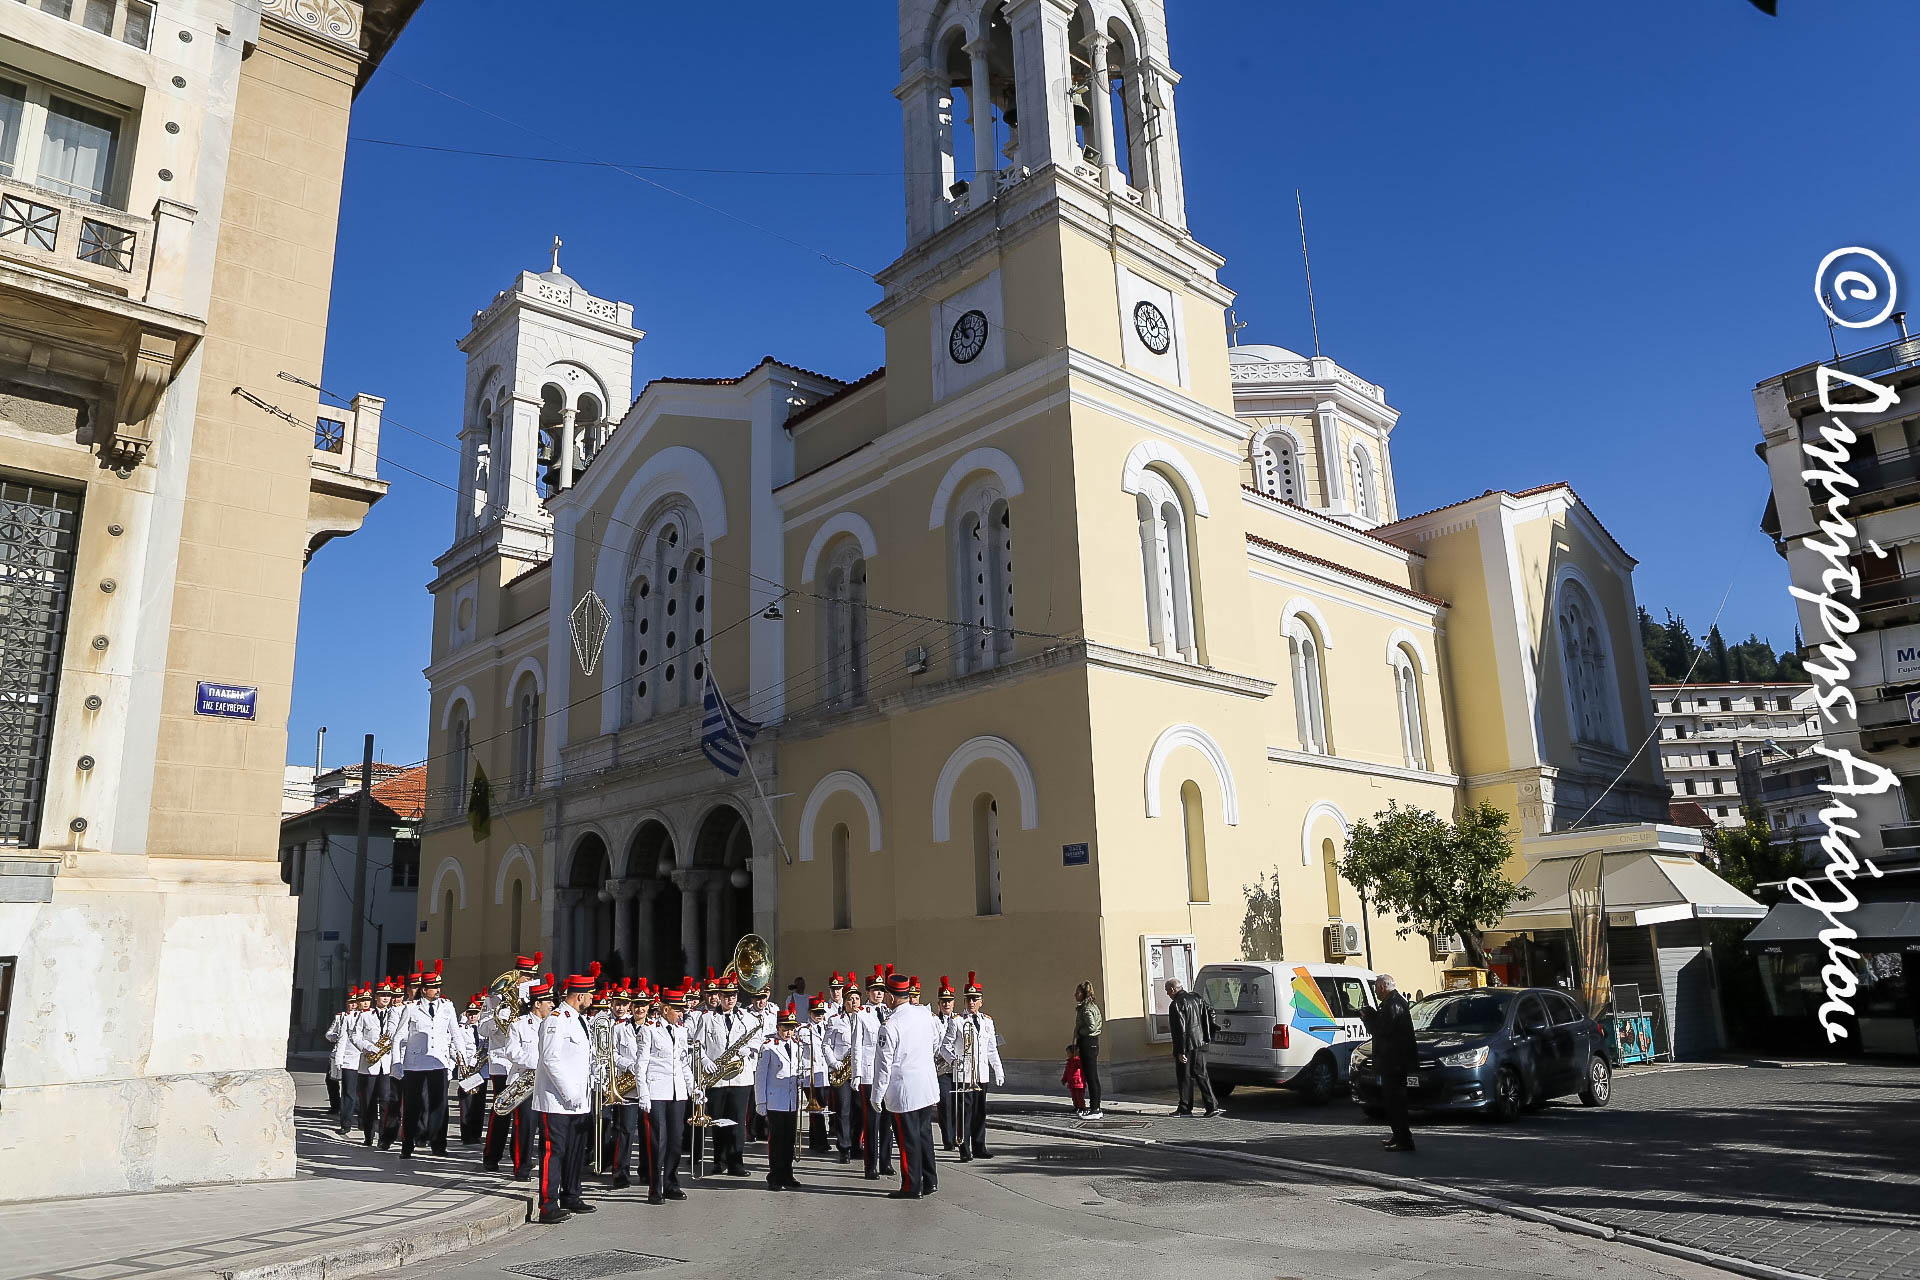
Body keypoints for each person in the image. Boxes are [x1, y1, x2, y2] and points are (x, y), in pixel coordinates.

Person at [535, 967, 598, 1223]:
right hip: (557, 1100)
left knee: (575, 1150)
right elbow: (550, 1059)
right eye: (590, 995)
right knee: (555, 1151)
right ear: (579, 996)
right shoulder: (556, 1020)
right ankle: (547, 1204)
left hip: (579, 1100)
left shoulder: (580, 1020)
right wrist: (569, 1092)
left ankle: (571, 1194)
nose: (592, 999)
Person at [873, 972, 940, 1199]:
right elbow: (936, 1041)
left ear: (891, 997)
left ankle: (911, 1186)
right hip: (926, 1086)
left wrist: (876, 1096)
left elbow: (883, 1065)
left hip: (904, 1091)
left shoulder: (890, 1025)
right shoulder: (924, 1014)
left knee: (907, 1140)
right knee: (924, 1135)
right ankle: (930, 1180)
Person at [481, 951, 541, 1173]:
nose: (528, 980)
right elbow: (482, 1029)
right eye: (526, 976)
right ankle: (492, 1156)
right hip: (501, 1062)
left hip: (525, 1063)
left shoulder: (532, 999)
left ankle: (520, 1159)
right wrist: (499, 1020)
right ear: (516, 975)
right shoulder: (495, 999)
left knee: (523, 1115)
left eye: (532, 976)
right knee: (501, 1109)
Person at [695, 971, 757, 1177]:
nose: (730, 999)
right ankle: (718, 1160)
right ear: (719, 996)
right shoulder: (707, 1018)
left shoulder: (747, 1018)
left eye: (733, 995)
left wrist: (750, 1049)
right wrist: (705, 1060)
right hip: (717, 1078)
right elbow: (697, 1045)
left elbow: (758, 1039)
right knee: (718, 1120)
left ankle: (736, 1162)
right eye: (726, 996)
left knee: (738, 1121)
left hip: (740, 1078)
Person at [398, 960, 461, 1158]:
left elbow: (456, 1033)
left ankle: (439, 1145)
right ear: (424, 990)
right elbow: (399, 1036)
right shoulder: (411, 1008)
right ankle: (407, 1145)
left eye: (438, 986)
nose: (437, 990)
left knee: (439, 1106)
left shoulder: (447, 1006)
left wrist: (463, 1058)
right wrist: (396, 1064)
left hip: (438, 1062)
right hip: (415, 1064)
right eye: (433, 987)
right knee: (412, 1107)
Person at [642, 984, 695, 1205]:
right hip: (656, 1090)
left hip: (677, 1091)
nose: (682, 1014)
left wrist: (693, 1087)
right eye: (678, 1009)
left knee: (675, 1139)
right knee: (658, 1140)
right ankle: (655, 1187)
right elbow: (642, 1064)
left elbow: (683, 1063)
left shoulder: (681, 1031)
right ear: (666, 1009)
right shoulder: (649, 1029)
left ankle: (671, 1183)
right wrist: (643, 1093)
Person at [949, 972, 1004, 1160]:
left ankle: (979, 1147)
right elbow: (945, 1046)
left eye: (975, 999)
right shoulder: (957, 1021)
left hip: (981, 1074)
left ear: (981, 1001)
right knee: (964, 1113)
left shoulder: (988, 1021)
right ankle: (964, 1149)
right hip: (963, 1075)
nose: (971, 1002)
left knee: (980, 1112)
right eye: (968, 999)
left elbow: (991, 1049)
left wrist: (998, 1070)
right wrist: (953, 1060)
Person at [1360, 973, 1417, 1153]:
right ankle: (1398, 1135)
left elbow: (1381, 1030)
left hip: (1394, 1062)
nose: (1376, 992)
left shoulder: (1394, 1005)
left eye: (1376, 988)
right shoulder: (1392, 1003)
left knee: (1396, 1103)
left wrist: (1368, 1017)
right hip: (1392, 1061)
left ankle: (1404, 1140)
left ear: (1382, 987)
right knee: (1391, 1102)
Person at [754, 1005, 805, 1191]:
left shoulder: (797, 1045)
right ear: (778, 1028)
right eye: (785, 1028)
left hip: (791, 1099)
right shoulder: (768, 1046)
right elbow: (760, 1076)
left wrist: (801, 1078)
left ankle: (787, 1174)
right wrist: (760, 1101)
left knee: (789, 1139)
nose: (788, 1032)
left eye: (791, 1028)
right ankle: (774, 1176)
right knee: (776, 1140)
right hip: (775, 1100)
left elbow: (797, 1067)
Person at [607, 981, 649, 1189]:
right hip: (628, 1087)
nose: (640, 1009)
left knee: (648, 1133)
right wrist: (628, 1065)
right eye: (637, 1005)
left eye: (644, 1005)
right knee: (625, 1130)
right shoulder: (619, 1029)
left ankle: (647, 1171)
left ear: (649, 1007)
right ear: (631, 1006)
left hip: (649, 1088)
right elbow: (612, 1054)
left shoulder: (656, 1028)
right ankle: (620, 1173)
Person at [1165, 977, 1220, 1118]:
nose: (1167, 994)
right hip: (1200, 1042)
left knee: (1184, 1076)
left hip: (1187, 1045)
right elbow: (1211, 1013)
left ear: (1173, 989)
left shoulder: (1176, 1004)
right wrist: (1207, 1033)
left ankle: (1185, 1108)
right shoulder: (1196, 998)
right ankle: (1212, 1106)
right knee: (1202, 1074)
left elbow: (1180, 1029)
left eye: (1167, 991)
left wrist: (1180, 1051)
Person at [825, 988, 860, 1164]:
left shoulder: (865, 1019)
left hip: (860, 1071)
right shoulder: (835, 1021)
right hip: (841, 1071)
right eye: (850, 999)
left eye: (857, 998)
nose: (854, 1002)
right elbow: (826, 1045)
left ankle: (856, 1145)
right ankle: (844, 1148)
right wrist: (833, 1062)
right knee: (843, 1110)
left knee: (859, 1109)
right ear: (844, 1002)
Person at [327, 988, 359, 1135]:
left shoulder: (366, 1016)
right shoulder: (341, 1017)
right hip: (346, 1056)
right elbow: (329, 1034)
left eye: (355, 1003)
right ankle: (341, 1115)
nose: (353, 1005)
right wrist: (336, 1037)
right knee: (339, 1085)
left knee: (361, 1091)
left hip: (362, 1057)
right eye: (350, 1003)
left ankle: (362, 1118)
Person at [931, 977, 958, 1149]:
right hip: (941, 1069)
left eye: (949, 1001)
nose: (946, 1004)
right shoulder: (933, 1020)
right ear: (939, 1003)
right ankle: (948, 1139)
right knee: (945, 1104)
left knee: (958, 1104)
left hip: (958, 1069)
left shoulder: (960, 1019)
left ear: (954, 1003)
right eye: (943, 1001)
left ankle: (958, 1136)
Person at [1073, 980, 1105, 1119]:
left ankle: (1095, 1109)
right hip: (1091, 1042)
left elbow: (1092, 1027)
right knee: (1092, 1076)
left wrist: (1080, 1032)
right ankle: (1095, 1107)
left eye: (1077, 992)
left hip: (1088, 1043)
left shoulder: (1086, 1008)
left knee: (1091, 1077)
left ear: (1084, 993)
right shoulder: (1092, 1006)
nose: (1075, 995)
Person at [1062, 1044, 1086, 1113]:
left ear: (1073, 1053)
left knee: (1079, 1096)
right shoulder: (1069, 1062)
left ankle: (1082, 1107)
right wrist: (1064, 1079)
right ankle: (1076, 1106)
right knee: (1074, 1096)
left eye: (1068, 1053)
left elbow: (1082, 1069)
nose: (1067, 1054)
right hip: (1072, 1082)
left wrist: (1076, 1057)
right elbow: (1066, 1072)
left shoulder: (1078, 1060)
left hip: (1079, 1082)